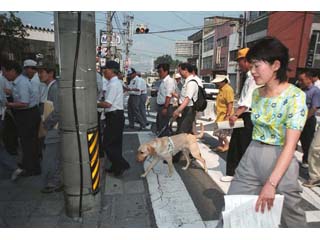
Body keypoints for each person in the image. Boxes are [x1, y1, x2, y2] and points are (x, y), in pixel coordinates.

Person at [224, 37, 308, 227]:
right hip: (252, 154)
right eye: (251, 65)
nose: (252, 71)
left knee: (291, 216)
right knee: (233, 209)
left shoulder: (295, 96)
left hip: (281, 158)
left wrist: (271, 184)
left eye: (256, 66)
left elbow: (290, 145)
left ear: (276, 65)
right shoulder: (256, 93)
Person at [221, 48, 260, 182]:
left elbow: (248, 100)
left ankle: (244, 175)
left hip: (248, 115)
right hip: (244, 115)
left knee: (243, 146)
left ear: (247, 61)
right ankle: (232, 173)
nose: (239, 65)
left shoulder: (254, 78)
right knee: (236, 145)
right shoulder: (248, 77)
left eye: (240, 62)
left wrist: (235, 114)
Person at [3, 60, 41, 178]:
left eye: (5, 72)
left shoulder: (21, 83)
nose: (4, 75)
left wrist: (8, 105)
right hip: (26, 114)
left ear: (13, 71)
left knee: (28, 143)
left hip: (27, 114)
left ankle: (31, 168)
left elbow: (24, 103)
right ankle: (29, 164)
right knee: (27, 142)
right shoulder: (18, 82)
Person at [98, 61, 130, 177]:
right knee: (115, 144)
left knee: (107, 144)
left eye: (105, 69)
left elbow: (107, 104)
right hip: (117, 115)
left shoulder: (113, 84)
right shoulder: (115, 83)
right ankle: (116, 167)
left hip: (114, 116)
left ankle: (122, 164)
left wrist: (95, 103)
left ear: (111, 70)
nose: (104, 71)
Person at [37, 64, 62, 193]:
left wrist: (46, 125)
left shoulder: (54, 88)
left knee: (51, 157)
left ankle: (54, 183)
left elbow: (58, 111)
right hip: (54, 126)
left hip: (54, 128)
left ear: (51, 73)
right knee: (55, 156)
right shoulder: (51, 86)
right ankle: (56, 181)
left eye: (42, 72)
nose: (39, 75)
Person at [298, 69, 320, 168]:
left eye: (302, 80)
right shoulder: (299, 90)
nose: (300, 82)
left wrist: (304, 119)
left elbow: (314, 107)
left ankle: (306, 160)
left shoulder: (315, 91)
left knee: (306, 141)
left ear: (309, 79)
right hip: (297, 118)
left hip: (308, 120)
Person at [211, 74, 234, 152]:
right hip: (220, 115)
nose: (216, 84)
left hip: (225, 115)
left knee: (222, 133)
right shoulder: (221, 89)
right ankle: (220, 145)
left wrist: (227, 115)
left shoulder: (228, 89)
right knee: (217, 132)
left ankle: (227, 145)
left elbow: (230, 103)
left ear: (223, 82)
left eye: (217, 82)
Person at [156, 63, 176, 136]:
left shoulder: (169, 81)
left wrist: (165, 108)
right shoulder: (163, 81)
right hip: (161, 106)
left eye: (160, 71)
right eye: (158, 72)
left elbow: (168, 95)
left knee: (164, 127)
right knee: (160, 125)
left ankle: (165, 143)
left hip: (166, 106)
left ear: (166, 71)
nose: (159, 74)